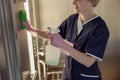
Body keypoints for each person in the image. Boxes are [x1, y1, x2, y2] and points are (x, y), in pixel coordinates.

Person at [24, 0, 110, 80]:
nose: (73, 2)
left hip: (86, 77)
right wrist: (33, 30)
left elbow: (88, 61)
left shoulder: (100, 28)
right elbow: (54, 34)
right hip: (67, 75)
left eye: (78, 0)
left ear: (91, 1)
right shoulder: (72, 19)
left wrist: (63, 45)